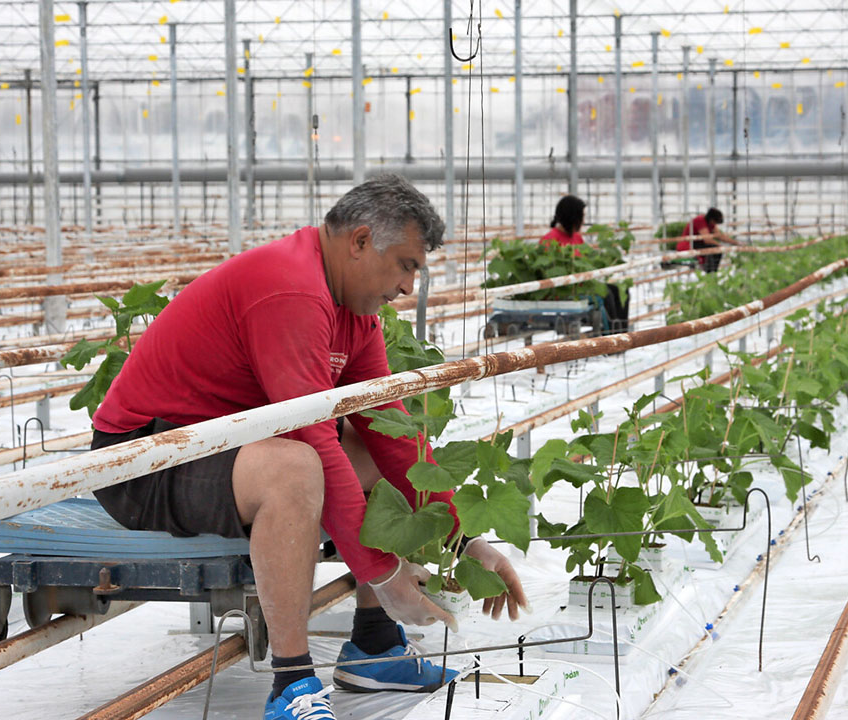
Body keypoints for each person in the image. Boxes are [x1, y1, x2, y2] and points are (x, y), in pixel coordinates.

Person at [90, 175, 528, 720]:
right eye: (407, 265)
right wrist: (384, 574)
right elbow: (310, 435)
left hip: (223, 444)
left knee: (382, 447)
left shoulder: (354, 314)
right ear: (361, 241)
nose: (408, 288)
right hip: (146, 457)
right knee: (295, 467)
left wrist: (463, 541)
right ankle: (291, 682)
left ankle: (373, 644)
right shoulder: (291, 287)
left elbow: (386, 424)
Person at [539, 195, 629, 333]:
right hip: (566, 291)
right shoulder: (550, 240)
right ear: (572, 217)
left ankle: (622, 335)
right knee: (607, 294)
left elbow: (587, 261)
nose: (583, 221)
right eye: (581, 216)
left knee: (620, 290)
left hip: (582, 286)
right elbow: (547, 272)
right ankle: (610, 338)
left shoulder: (576, 237)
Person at [676, 207, 741, 273]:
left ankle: (712, 271)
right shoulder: (700, 220)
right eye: (715, 222)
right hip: (689, 244)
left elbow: (720, 236)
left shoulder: (710, 223)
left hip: (698, 243)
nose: (715, 224)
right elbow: (707, 240)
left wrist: (737, 243)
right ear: (711, 219)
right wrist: (721, 246)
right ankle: (710, 272)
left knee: (716, 250)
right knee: (715, 249)